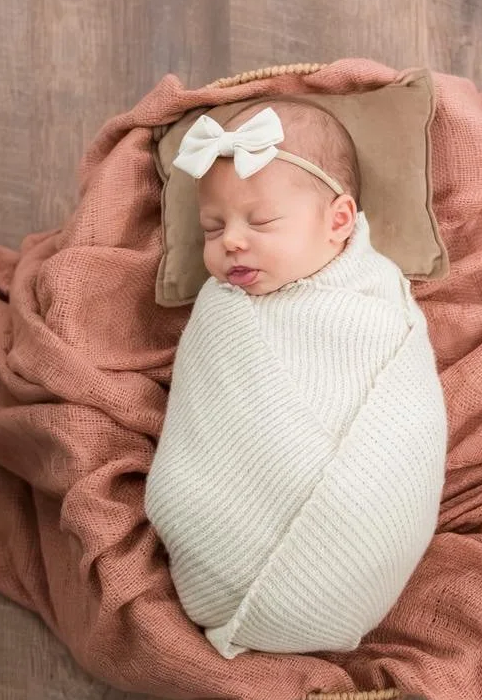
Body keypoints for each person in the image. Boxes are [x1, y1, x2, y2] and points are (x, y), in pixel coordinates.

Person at [145, 101, 448, 659]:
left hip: (351, 551)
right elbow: (206, 410)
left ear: (338, 221)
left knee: (361, 498)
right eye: (213, 227)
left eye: (261, 222)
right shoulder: (222, 307)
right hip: (218, 546)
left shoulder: (376, 304)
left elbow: (410, 419)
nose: (231, 241)